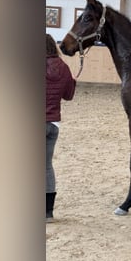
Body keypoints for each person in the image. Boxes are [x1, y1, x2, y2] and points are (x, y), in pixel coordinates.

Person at [46, 33, 76, 222]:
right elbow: (68, 95)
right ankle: (47, 212)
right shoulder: (63, 67)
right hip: (53, 124)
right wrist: (72, 82)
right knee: (46, 167)